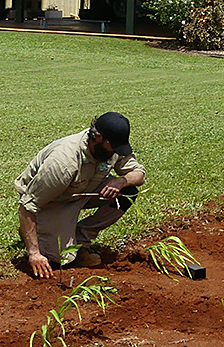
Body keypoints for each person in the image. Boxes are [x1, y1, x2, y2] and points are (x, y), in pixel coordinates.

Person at [15, 112, 146, 279]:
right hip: (52, 200)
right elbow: (27, 206)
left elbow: (139, 174)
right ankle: (37, 230)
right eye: (112, 146)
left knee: (128, 192)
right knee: (62, 260)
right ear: (98, 137)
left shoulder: (112, 146)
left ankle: (81, 239)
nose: (115, 152)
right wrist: (34, 253)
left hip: (82, 190)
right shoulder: (63, 163)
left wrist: (121, 181)